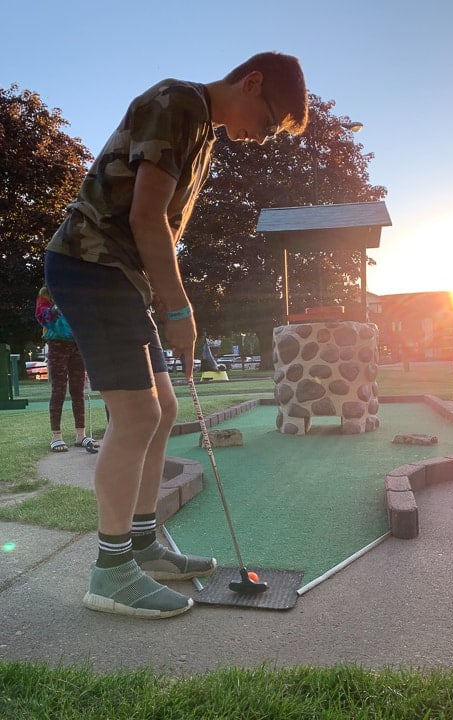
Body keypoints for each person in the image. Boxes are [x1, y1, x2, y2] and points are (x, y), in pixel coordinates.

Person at [44, 52, 308, 619]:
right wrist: (178, 309)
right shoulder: (180, 102)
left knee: (162, 409)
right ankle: (111, 572)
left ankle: (142, 545)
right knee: (136, 413)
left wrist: (168, 302)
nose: (262, 139)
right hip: (91, 262)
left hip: (122, 274)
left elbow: (157, 227)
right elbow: (146, 217)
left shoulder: (203, 129)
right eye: (267, 123)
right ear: (251, 82)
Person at [35, 287, 98, 454]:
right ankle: (56, 436)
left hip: (77, 344)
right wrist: (59, 305)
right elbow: (44, 319)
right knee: (59, 390)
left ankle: (81, 435)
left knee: (78, 391)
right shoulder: (46, 294)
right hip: (57, 345)